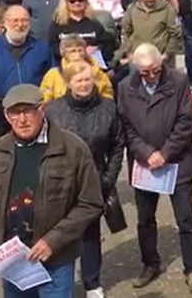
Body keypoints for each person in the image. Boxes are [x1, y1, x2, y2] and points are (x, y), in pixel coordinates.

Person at [0, 84, 104, 298]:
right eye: (15, 113)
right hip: (12, 264)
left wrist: (53, 240)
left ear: (43, 108)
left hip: (55, 262)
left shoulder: (72, 149)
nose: (22, 120)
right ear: (6, 115)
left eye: (28, 110)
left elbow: (91, 203)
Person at [117, 43, 192, 293]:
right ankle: (150, 264)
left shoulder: (178, 81)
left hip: (177, 161)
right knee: (145, 219)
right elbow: (126, 126)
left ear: (162, 63)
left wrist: (165, 153)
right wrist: (147, 153)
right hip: (144, 163)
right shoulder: (126, 87)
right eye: (145, 73)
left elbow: (186, 122)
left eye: (156, 70)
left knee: (186, 218)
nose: (152, 76)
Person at [45, 62, 125, 298]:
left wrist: (109, 178)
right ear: (69, 82)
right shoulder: (53, 110)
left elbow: (118, 145)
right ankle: (61, 283)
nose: (84, 84)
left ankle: (92, 282)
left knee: (90, 235)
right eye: (79, 80)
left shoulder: (108, 108)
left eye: (88, 79)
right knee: (59, 234)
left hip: (96, 179)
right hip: (61, 181)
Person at [0, 5, 55, 139]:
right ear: (6, 23)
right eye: (15, 20)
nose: (20, 25)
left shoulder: (41, 48)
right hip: (1, 117)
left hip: (34, 114)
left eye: (24, 20)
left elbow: (51, 76)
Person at [117, 0, 181, 65]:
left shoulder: (168, 10)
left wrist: (166, 54)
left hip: (161, 59)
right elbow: (126, 32)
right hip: (137, 59)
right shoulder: (132, 9)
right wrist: (128, 52)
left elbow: (175, 34)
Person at [40, 35, 114, 103]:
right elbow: (45, 100)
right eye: (73, 51)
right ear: (64, 53)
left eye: (80, 50)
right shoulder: (53, 75)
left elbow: (108, 94)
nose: (77, 54)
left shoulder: (98, 73)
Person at [48, 0, 115, 64]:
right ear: (66, 4)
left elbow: (106, 42)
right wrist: (70, 53)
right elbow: (52, 46)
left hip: (91, 64)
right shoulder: (59, 23)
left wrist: (96, 48)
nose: (77, 3)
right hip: (66, 65)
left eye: (80, 0)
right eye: (72, 1)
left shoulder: (93, 22)